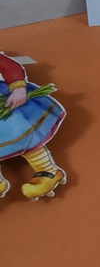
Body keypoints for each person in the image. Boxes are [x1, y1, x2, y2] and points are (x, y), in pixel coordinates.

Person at [0, 53, 66, 199]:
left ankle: (48, 171)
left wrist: (18, 88)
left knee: (22, 131)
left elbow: (8, 66)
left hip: (5, 103)